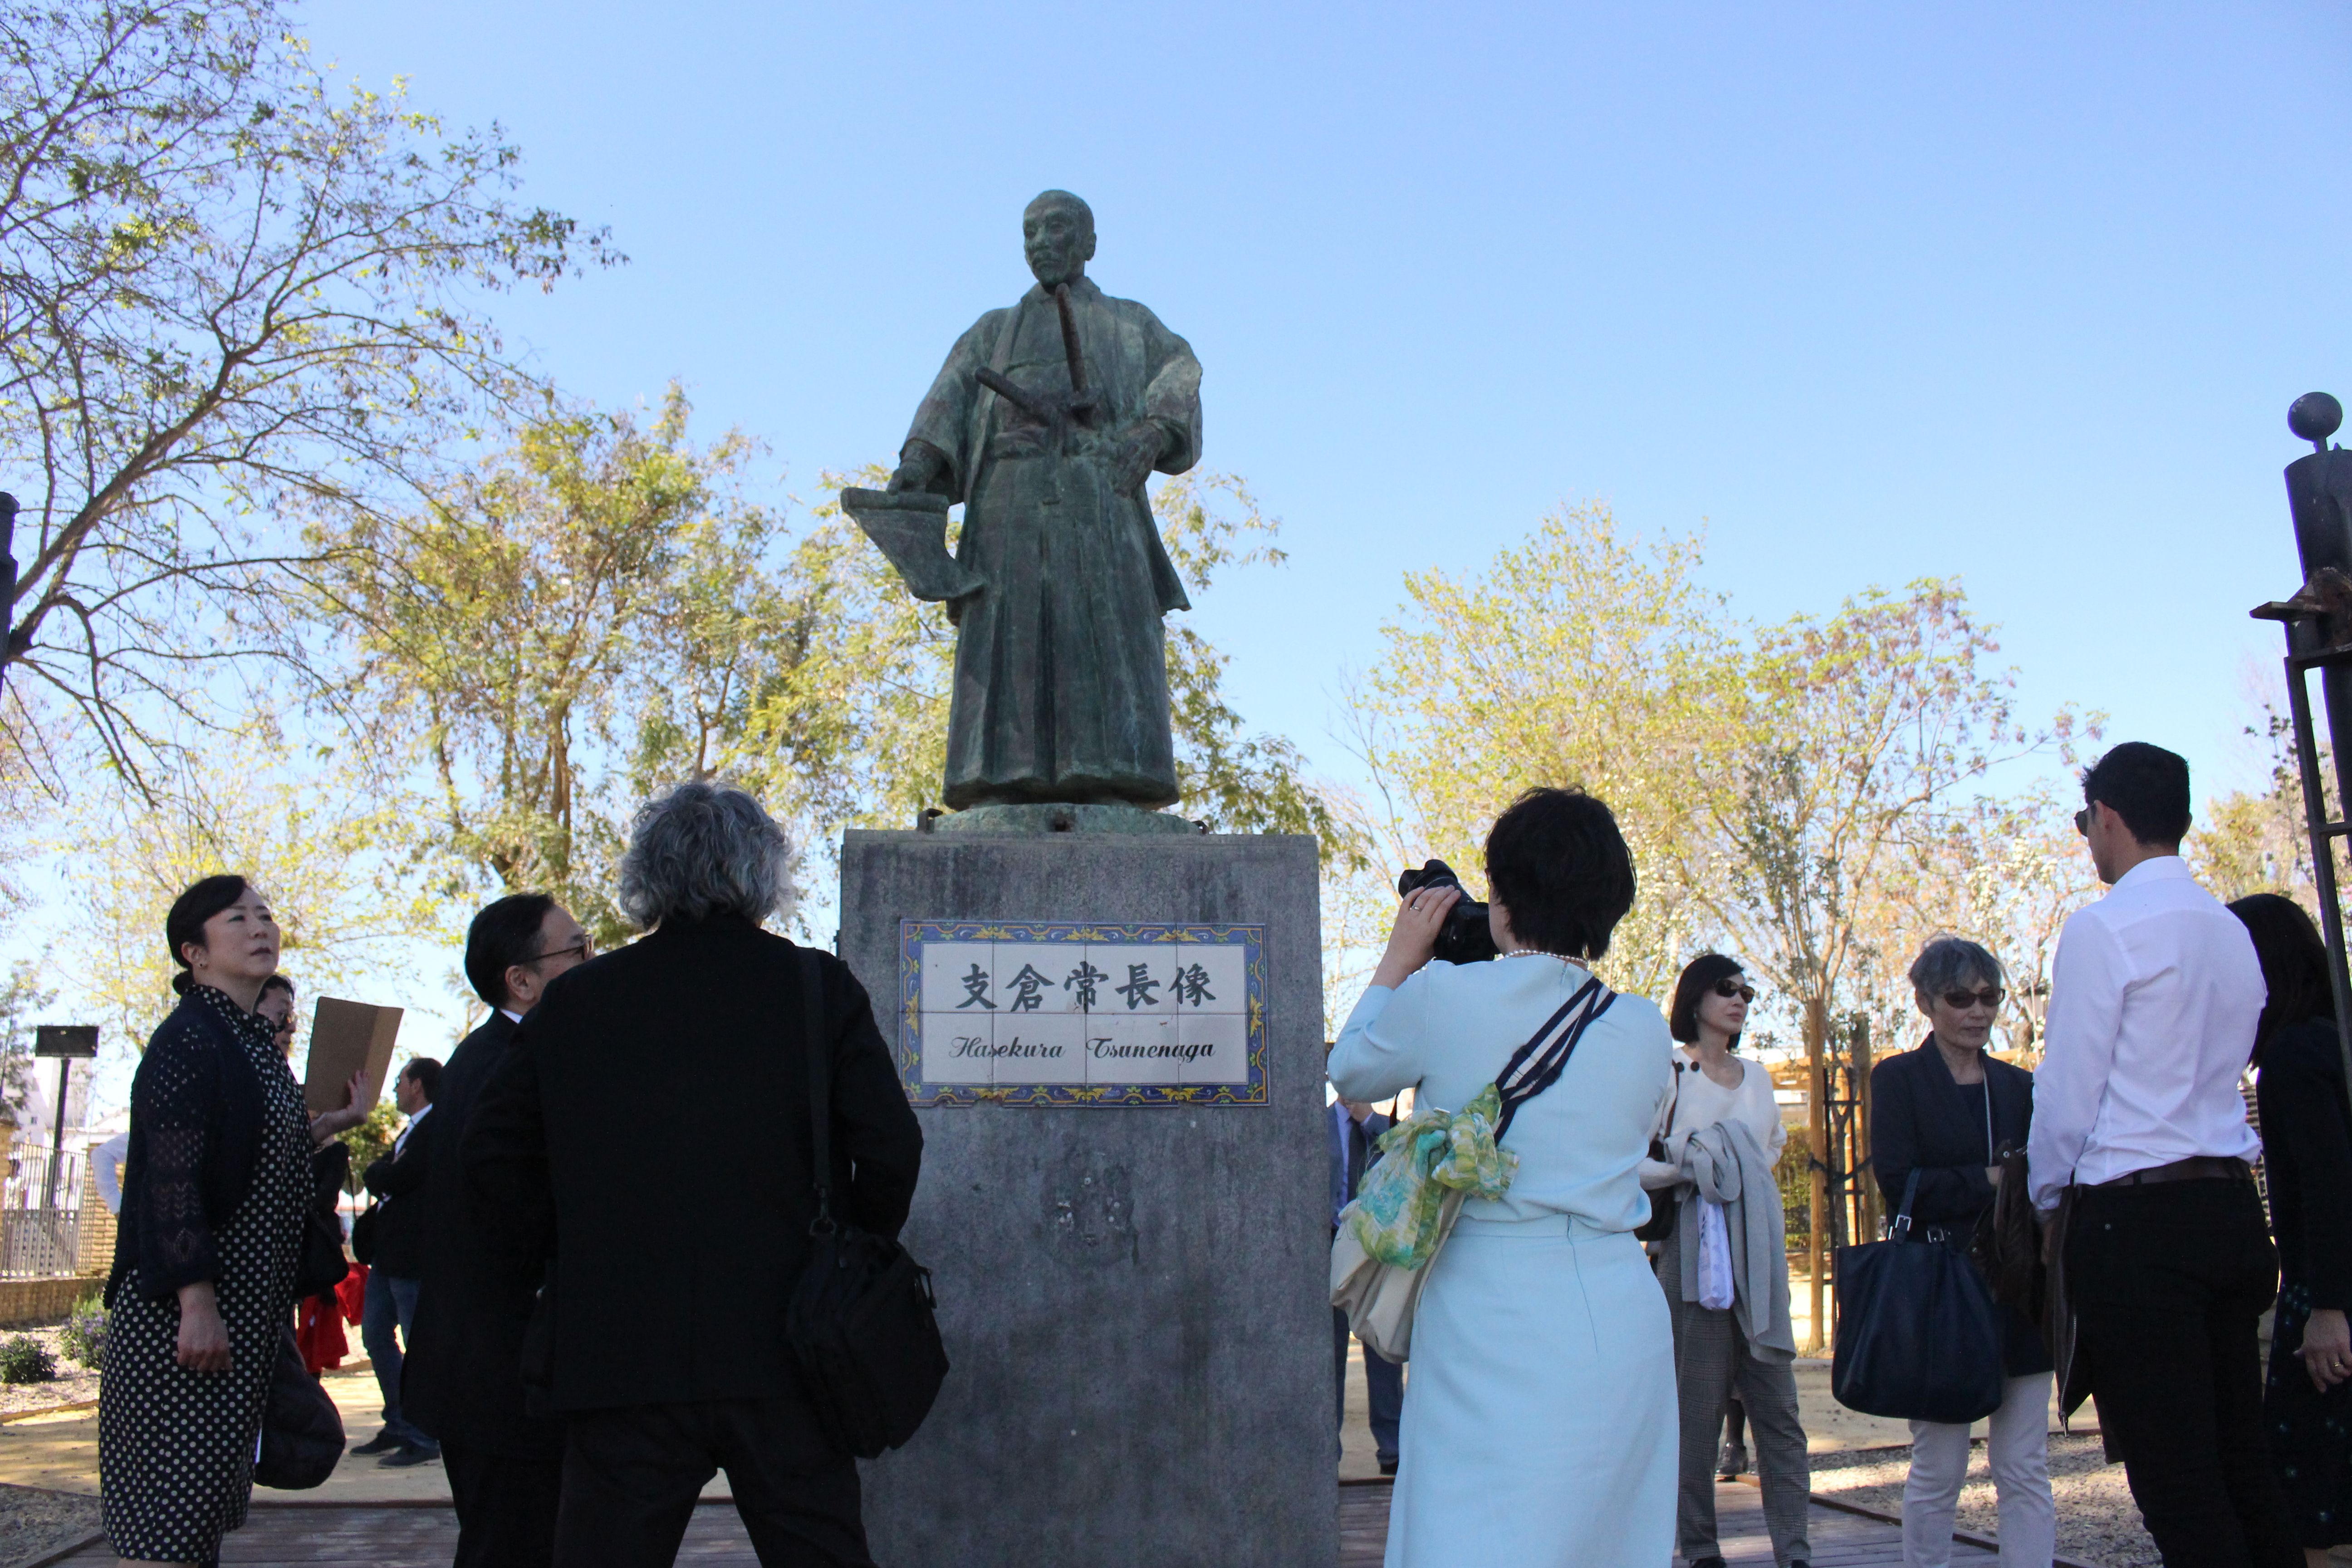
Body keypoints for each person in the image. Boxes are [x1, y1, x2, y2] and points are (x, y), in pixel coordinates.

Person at [466, 783, 924, 1568]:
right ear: (762, 874)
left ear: (650, 876)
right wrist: (846, 1253)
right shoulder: (815, 988)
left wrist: (565, 1252)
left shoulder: (575, 1001)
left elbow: (491, 1156)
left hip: (617, 1350)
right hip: (788, 1347)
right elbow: (889, 1148)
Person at [1327, 787, 1677, 1568]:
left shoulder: (1440, 993)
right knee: (1605, 1537)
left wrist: (1401, 955)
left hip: (1487, 1302)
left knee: (1472, 1529)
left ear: (1502, 894)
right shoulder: (1640, 1025)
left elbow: (1350, 1066)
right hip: (1615, 1302)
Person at [2027, 741, 2298, 1567]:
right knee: (2241, 1462)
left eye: (2084, 822)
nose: (2086, 838)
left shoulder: (2103, 928)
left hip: (2134, 1219)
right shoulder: (2228, 929)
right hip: (2224, 1205)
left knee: (2176, 1480)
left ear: (2106, 817)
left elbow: (2068, 1088)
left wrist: (2043, 1199)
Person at [883, 188, 1204, 810]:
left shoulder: (1129, 322)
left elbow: (1181, 370)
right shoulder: (993, 331)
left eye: (1056, 228)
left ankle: (1114, 776)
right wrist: (918, 463)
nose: (1041, 242)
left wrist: (1151, 431)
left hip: (1098, 491)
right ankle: (999, 780)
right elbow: (948, 399)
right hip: (1007, 497)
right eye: (1030, 231)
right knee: (1006, 633)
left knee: (1103, 630)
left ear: (1088, 242)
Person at [96, 876, 350, 1566]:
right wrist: (196, 1302)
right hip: (182, 1327)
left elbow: (262, 1158)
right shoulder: (190, 1041)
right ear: (195, 953)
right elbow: (171, 1183)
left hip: (239, 1322)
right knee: (169, 1523)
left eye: (265, 914)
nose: (259, 926)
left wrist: (331, 1126)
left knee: (202, 1512)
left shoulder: (247, 1041)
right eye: (236, 918)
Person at [403, 893, 592, 1568]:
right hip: (504, 1369)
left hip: (482, 1364)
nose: (593, 963)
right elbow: (505, 1189)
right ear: (522, 979)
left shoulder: (482, 1054)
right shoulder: (516, 1056)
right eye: (579, 950)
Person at [1869, 937, 2054, 1568]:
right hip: (1941, 1290)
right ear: (1925, 1002)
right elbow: (1898, 1182)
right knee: (1939, 1463)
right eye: (1960, 998)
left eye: (1989, 997)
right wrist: (1990, 1180)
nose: (1978, 1011)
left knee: (2024, 1463)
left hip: (2019, 1286)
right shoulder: (1897, 1079)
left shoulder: (2019, 1086)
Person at [1641, 953, 1812, 1568]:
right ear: (1695, 998)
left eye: (1746, 992)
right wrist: (1696, 1165)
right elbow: (1638, 1155)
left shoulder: (1759, 1077)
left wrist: (1735, 1171)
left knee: (1779, 1408)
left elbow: (1769, 1149)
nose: (1737, 1000)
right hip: (1691, 1242)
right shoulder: (1671, 1071)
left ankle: (1796, 1550)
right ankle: (1701, 1547)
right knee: (1696, 1408)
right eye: (1724, 989)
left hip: (1756, 1245)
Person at [2230, 894, 2352, 1567]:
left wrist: (2329, 1308)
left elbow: (2332, 1188)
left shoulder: (2296, 1058)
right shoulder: (2332, 1040)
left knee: (2310, 1505)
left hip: (2329, 1297)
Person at [353, 1056, 442, 1466]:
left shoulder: (435, 1128)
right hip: (389, 1256)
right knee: (375, 1335)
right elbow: (385, 1174)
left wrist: (383, 1172)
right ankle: (399, 1419)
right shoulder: (410, 1132)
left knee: (417, 1342)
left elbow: (394, 1178)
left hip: (413, 1256)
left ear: (419, 1085)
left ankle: (424, 1432)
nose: (394, 1089)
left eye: (401, 1081)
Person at [1329, 1094, 1404, 1474]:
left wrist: (1369, 1120)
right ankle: (1328, 1451)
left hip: (1376, 1251)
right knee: (1329, 1355)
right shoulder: (1320, 1124)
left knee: (1381, 1346)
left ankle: (1392, 1447)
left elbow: (1399, 1162)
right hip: (1330, 1250)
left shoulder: (1385, 1127)